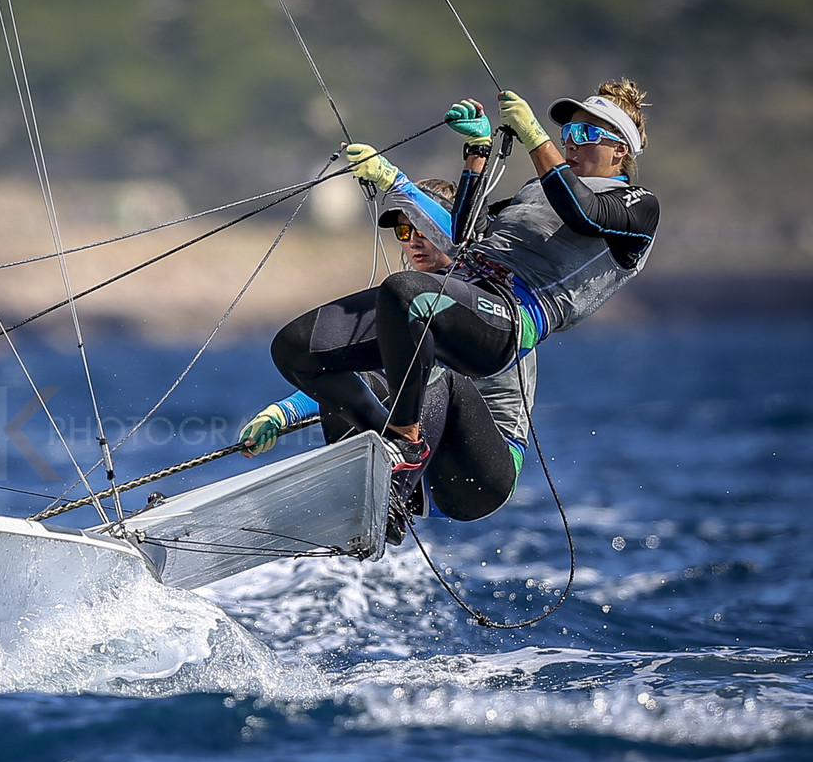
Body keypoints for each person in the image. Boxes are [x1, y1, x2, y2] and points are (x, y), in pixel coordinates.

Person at [262, 79, 657, 481]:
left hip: (509, 318)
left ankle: (404, 438)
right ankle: (380, 453)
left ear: (619, 150)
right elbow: (466, 236)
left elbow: (582, 211)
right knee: (294, 349)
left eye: (586, 134)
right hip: (465, 292)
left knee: (403, 291)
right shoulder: (536, 190)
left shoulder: (637, 206)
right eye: (568, 133)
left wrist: (535, 137)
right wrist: (476, 154)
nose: (571, 142)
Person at [241, 177, 536, 534]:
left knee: (434, 372)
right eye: (403, 231)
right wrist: (281, 413)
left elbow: (463, 237)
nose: (413, 241)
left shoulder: (486, 298)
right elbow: (363, 374)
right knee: (351, 375)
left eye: (423, 229)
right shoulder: (408, 307)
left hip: (481, 479)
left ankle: (388, 496)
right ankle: (360, 497)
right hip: (424, 477)